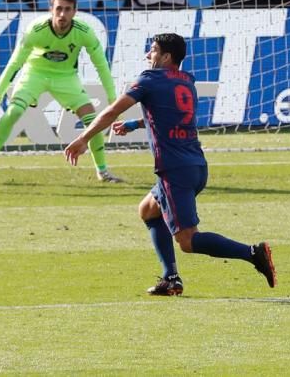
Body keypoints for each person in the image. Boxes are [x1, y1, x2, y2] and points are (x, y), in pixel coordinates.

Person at [64, 33, 276, 295]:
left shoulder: (148, 80)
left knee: (187, 241)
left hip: (174, 171)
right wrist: (134, 124)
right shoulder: (187, 82)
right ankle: (170, 279)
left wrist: (84, 138)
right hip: (195, 166)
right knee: (148, 211)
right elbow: (167, 114)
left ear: (166, 57)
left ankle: (253, 253)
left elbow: (111, 111)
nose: (148, 55)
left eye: (152, 50)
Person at [0, 0, 122, 184]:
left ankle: (103, 172)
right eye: (58, 9)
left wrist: (112, 100)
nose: (62, 14)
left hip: (66, 78)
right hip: (35, 74)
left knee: (93, 120)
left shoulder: (84, 32)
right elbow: (14, 65)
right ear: (51, 10)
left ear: (75, 12)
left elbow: (102, 66)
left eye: (67, 10)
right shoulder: (36, 29)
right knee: (13, 111)